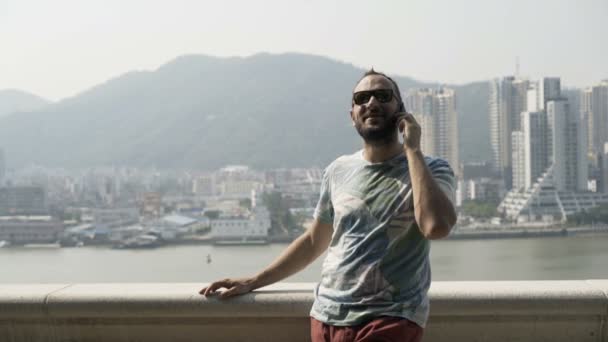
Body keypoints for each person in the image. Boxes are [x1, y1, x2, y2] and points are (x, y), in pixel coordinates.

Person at [200, 69, 457, 342]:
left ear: (401, 112)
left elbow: (436, 226)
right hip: (326, 315)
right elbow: (314, 241)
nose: (372, 102)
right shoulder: (338, 170)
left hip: (390, 317)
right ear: (352, 115)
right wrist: (254, 281)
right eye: (362, 97)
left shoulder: (431, 169)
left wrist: (413, 149)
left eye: (383, 95)